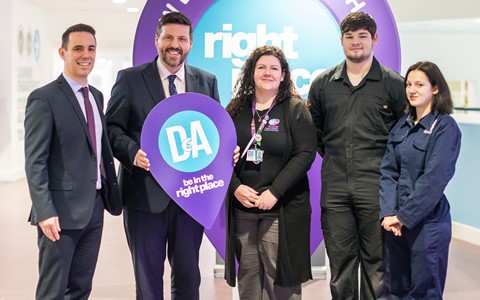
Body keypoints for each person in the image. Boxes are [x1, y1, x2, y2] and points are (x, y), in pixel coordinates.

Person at [105, 12, 220, 300]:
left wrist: (224, 151)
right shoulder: (130, 79)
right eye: (168, 37)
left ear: (190, 43)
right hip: (144, 197)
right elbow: (112, 128)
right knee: (147, 282)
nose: (174, 44)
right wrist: (132, 153)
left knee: (188, 278)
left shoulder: (206, 81)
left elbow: (215, 130)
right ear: (157, 40)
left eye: (181, 38)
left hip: (190, 200)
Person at [308, 12, 407, 299]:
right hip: (336, 188)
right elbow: (315, 133)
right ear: (341, 41)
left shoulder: (393, 84)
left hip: (377, 188)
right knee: (340, 268)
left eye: (362, 36)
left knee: (378, 267)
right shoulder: (324, 83)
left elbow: (402, 136)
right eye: (349, 37)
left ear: (374, 39)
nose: (356, 42)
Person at [24, 23, 122, 299]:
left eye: (91, 48)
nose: (85, 55)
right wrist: (44, 211)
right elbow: (35, 161)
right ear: (62, 52)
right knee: (53, 289)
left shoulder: (96, 96)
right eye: (78, 48)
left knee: (80, 287)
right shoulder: (45, 98)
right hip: (59, 213)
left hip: (94, 207)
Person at [224, 45, 317, 299]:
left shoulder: (295, 109)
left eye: (274, 68)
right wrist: (235, 188)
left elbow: (305, 154)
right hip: (244, 208)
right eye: (261, 67)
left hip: (280, 208)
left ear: (283, 75)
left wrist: (274, 192)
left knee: (280, 279)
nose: (268, 72)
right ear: (251, 73)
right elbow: (219, 156)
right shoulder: (235, 109)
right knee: (249, 279)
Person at [380, 61, 461, 299]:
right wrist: (388, 214)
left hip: (427, 223)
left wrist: (404, 217)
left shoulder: (445, 127)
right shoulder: (402, 126)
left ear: (435, 88)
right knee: (396, 289)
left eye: (419, 84)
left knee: (424, 291)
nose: (412, 90)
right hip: (395, 224)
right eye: (408, 84)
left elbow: (434, 179)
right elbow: (388, 171)